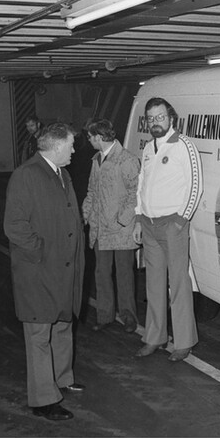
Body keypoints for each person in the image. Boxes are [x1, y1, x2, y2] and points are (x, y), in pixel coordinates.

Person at [4, 122, 86, 421]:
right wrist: (40, 252)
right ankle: (43, 399)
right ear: (55, 146)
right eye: (70, 146)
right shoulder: (26, 175)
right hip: (39, 270)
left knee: (63, 323)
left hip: (63, 268)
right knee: (40, 332)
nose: (74, 150)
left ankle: (63, 378)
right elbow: (14, 225)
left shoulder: (61, 173)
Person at [133, 97, 203, 362]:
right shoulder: (149, 148)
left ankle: (184, 341)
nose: (155, 123)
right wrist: (139, 218)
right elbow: (142, 184)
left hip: (172, 225)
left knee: (179, 284)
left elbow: (195, 185)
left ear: (171, 118)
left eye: (160, 117)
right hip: (149, 226)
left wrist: (181, 220)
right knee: (153, 285)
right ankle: (155, 337)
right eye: (151, 118)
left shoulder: (184, 145)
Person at [82, 119, 141, 334]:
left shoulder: (127, 160)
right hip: (100, 229)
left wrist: (121, 220)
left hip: (121, 230)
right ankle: (105, 316)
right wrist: (86, 214)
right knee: (102, 273)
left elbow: (136, 195)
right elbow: (91, 192)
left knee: (124, 274)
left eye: (90, 137)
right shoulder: (96, 160)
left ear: (99, 137)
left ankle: (129, 318)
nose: (88, 141)